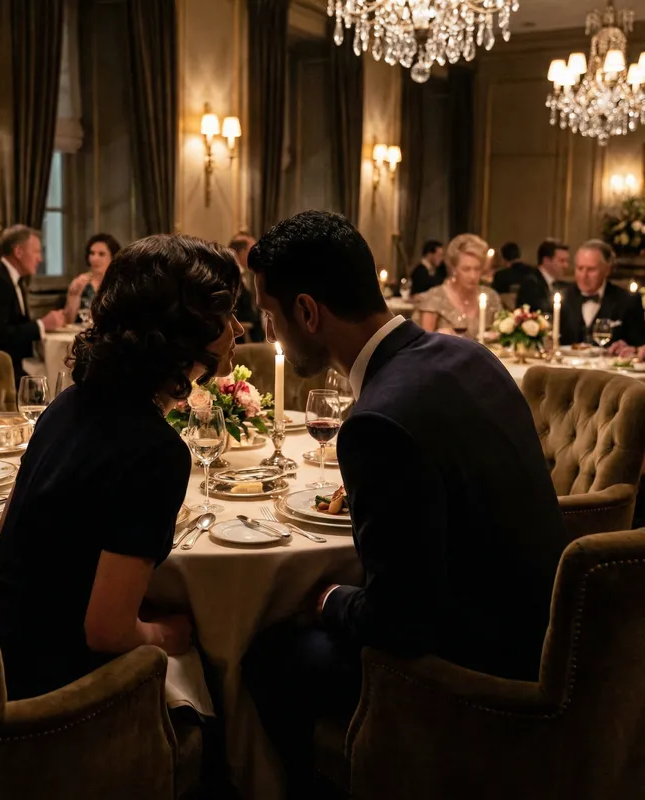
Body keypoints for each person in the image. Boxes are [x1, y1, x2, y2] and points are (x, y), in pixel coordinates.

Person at [242, 210, 566, 797]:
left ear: (308, 312)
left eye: (270, 314)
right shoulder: (470, 355)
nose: (269, 332)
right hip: (547, 637)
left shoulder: (377, 422)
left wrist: (327, 598)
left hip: (474, 677)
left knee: (266, 655)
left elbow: (398, 623)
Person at [0, 234, 243, 702]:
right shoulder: (156, 450)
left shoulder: (65, 405)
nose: (239, 330)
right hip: (59, 699)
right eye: (227, 315)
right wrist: (169, 634)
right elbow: (107, 632)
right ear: (187, 328)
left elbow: (6, 542)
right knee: (218, 665)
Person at [0, 225, 65, 385]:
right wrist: (42, 325)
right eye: (36, 252)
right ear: (18, 252)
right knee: (49, 380)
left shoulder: (10, 278)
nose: (40, 259)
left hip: (5, 363)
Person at [558, 239, 645, 347]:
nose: (584, 276)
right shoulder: (562, 298)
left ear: (607, 270)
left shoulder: (628, 301)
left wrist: (629, 347)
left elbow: (639, 344)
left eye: (591, 269)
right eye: (580, 268)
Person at [414, 233, 503, 340]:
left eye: (477, 269)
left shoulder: (490, 297)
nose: (473, 276)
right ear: (453, 269)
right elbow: (424, 344)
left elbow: (503, 336)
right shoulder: (435, 298)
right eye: (466, 269)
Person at [63, 233, 122, 324]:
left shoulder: (120, 283)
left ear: (113, 257)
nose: (95, 258)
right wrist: (74, 296)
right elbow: (68, 321)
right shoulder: (80, 282)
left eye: (101, 254)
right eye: (92, 253)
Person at [516, 240, 570, 313]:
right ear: (546, 261)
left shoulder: (562, 285)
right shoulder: (531, 284)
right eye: (562, 261)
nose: (566, 266)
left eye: (567, 261)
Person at [229, 232, 264, 342]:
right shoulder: (231, 275)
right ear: (242, 252)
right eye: (252, 250)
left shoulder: (244, 275)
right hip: (240, 337)